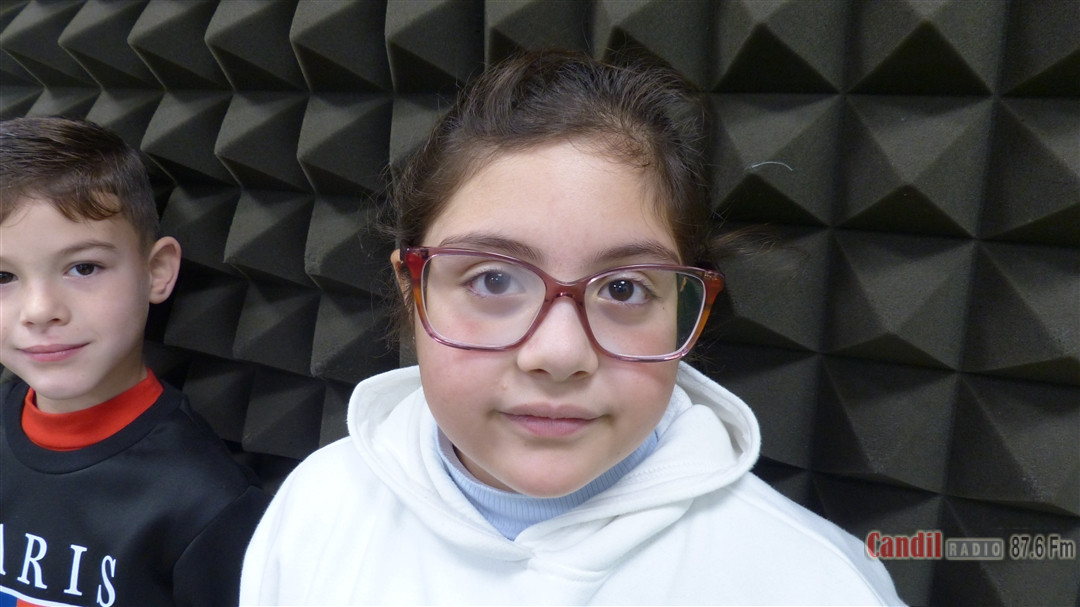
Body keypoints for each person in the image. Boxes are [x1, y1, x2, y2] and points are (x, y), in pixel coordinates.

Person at [240, 49, 904, 605]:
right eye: (493, 280)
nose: (559, 354)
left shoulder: (815, 584)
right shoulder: (317, 507)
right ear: (412, 289)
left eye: (623, 288)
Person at [0, 116, 270, 606]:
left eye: (84, 267)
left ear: (157, 272)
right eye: (2, 277)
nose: (40, 311)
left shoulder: (208, 503)